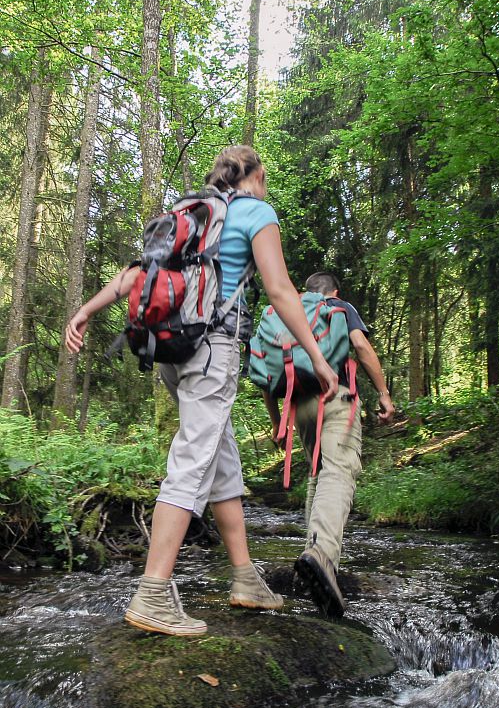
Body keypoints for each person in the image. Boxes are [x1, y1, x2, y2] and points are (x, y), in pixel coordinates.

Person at [65, 146, 338, 636]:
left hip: (172, 348)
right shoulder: (256, 212)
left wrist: (85, 311)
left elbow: (133, 276)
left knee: (220, 457)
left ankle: (245, 578)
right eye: (265, 175)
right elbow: (279, 290)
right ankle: (152, 592)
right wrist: (316, 356)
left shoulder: (188, 214)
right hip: (213, 346)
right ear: (256, 174)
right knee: (194, 459)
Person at [263, 272, 395, 618]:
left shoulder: (286, 311)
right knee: (339, 471)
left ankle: (313, 555)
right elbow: (362, 348)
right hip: (334, 398)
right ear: (334, 291)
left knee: (319, 474)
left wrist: (277, 420)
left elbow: (266, 370)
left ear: (307, 292)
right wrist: (383, 394)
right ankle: (321, 556)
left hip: (299, 406)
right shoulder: (338, 306)